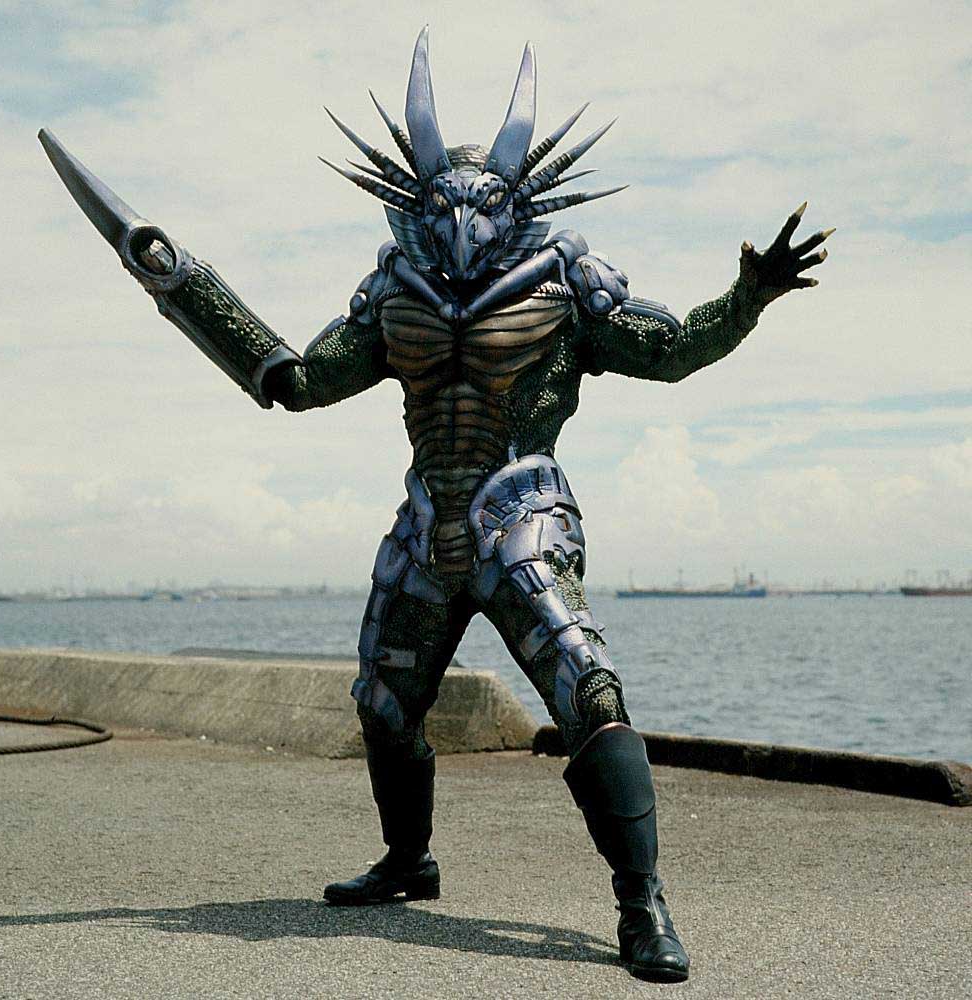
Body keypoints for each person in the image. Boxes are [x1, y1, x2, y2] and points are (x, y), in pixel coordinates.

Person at [40, 27, 831, 984]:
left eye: (482, 201)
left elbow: (669, 350)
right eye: (444, 201)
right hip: (426, 522)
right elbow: (298, 381)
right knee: (383, 703)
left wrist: (746, 298)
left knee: (590, 691)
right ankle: (408, 861)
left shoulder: (567, 285)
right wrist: (185, 288)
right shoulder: (393, 292)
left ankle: (642, 900)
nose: (461, 218)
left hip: (521, 515)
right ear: (418, 204)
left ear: (517, 202)